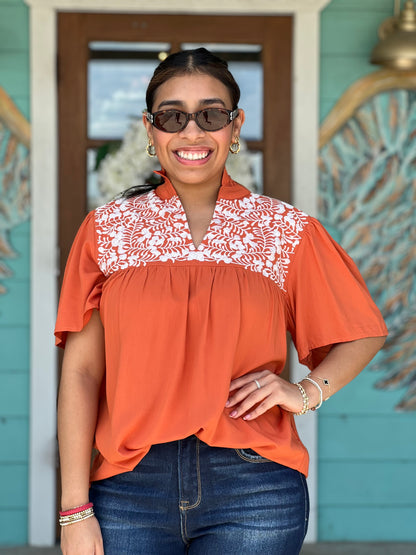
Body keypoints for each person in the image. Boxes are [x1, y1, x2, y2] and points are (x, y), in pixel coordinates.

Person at [55, 48, 387, 555]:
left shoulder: (285, 230)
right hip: (128, 486)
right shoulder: (107, 230)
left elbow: (360, 331)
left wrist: (304, 393)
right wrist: (73, 510)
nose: (191, 132)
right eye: (172, 116)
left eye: (210, 115)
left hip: (253, 487)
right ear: (151, 129)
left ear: (235, 128)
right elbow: (81, 374)